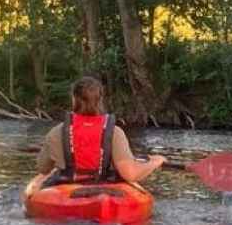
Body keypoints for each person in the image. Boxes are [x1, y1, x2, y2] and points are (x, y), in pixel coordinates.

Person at [35, 76, 165, 185]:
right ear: (100, 99)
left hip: (66, 190)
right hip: (102, 187)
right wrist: (155, 162)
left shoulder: (56, 132)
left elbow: (43, 168)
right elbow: (130, 174)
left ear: (74, 99)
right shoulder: (114, 133)